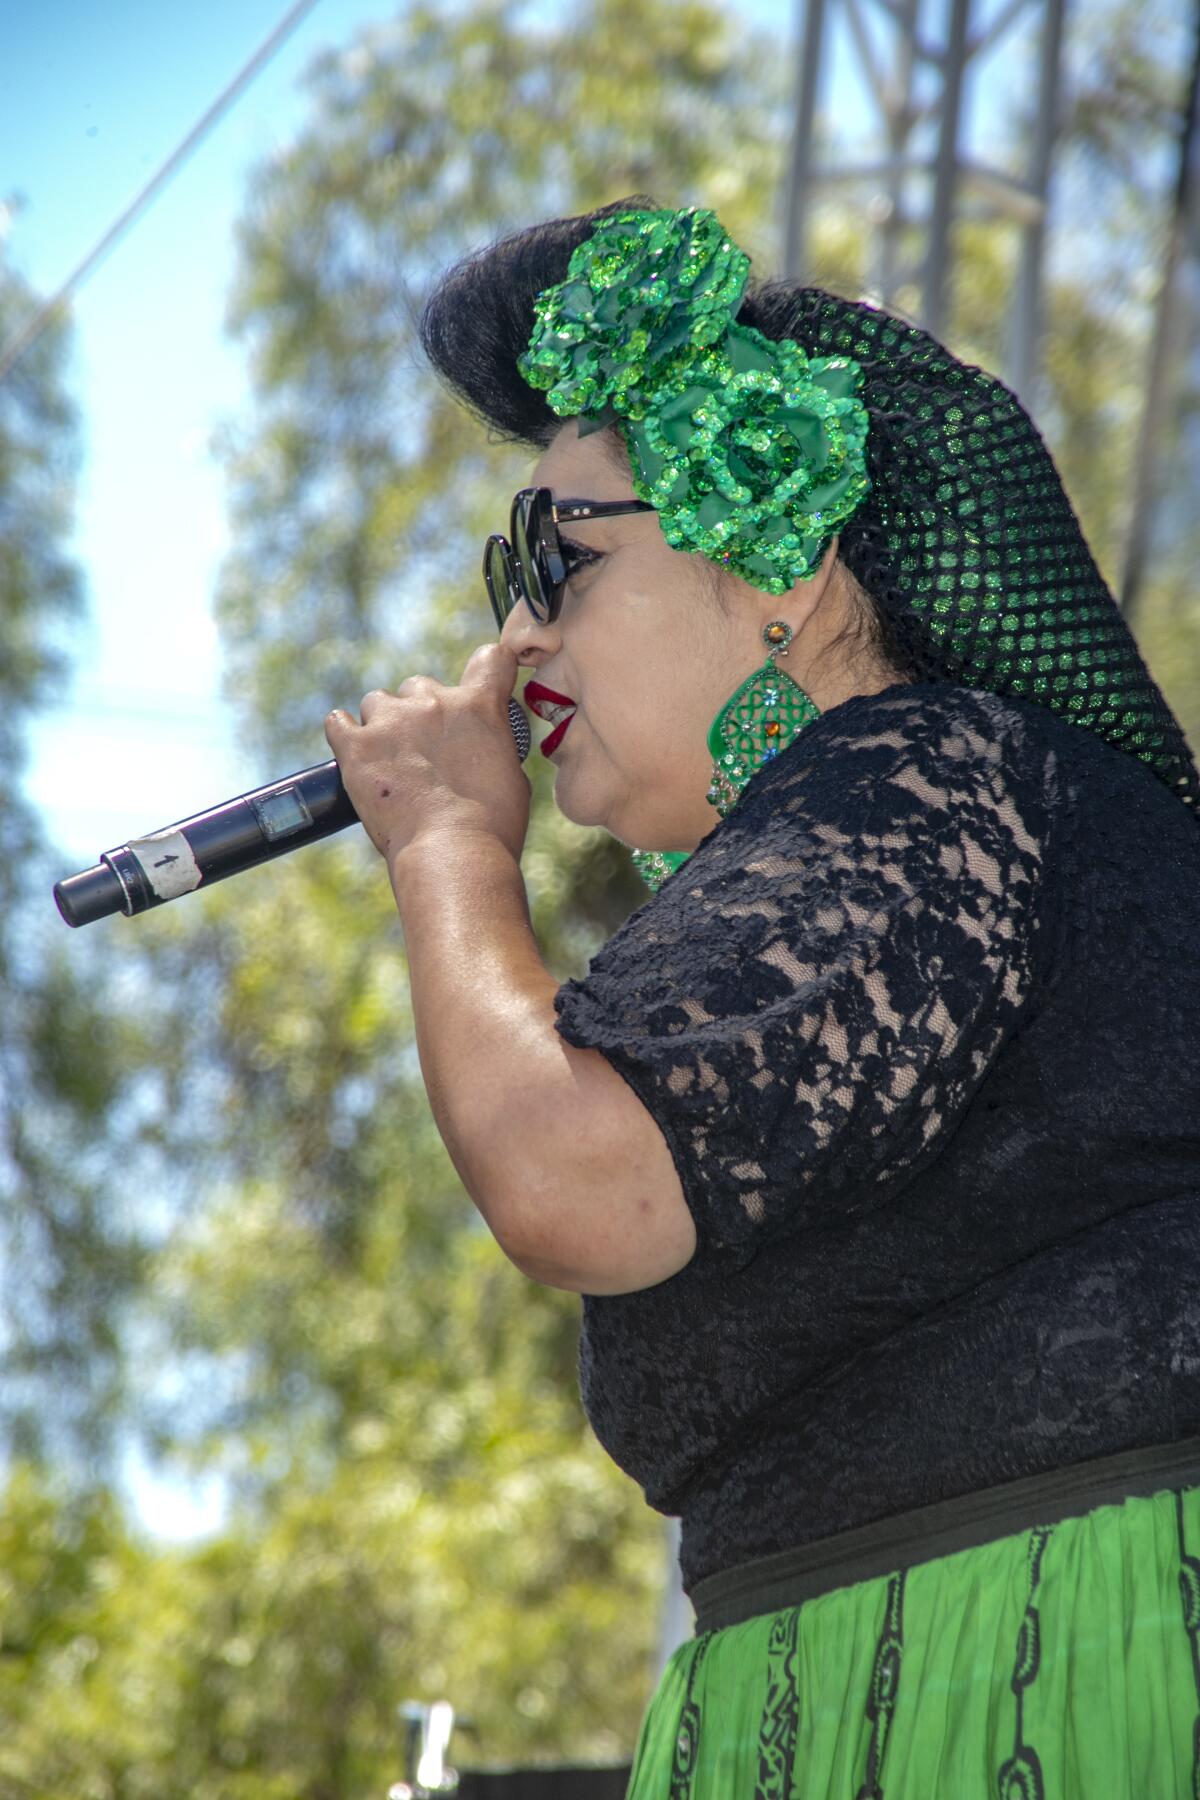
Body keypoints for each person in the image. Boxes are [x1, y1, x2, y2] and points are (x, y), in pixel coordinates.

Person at [324, 198, 1200, 1797]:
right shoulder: (889, 819)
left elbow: (577, 1179)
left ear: (772, 554)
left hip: (1042, 1656)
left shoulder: (934, 777)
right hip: (858, 1667)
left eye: (557, 559)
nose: (512, 637)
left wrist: (449, 848)